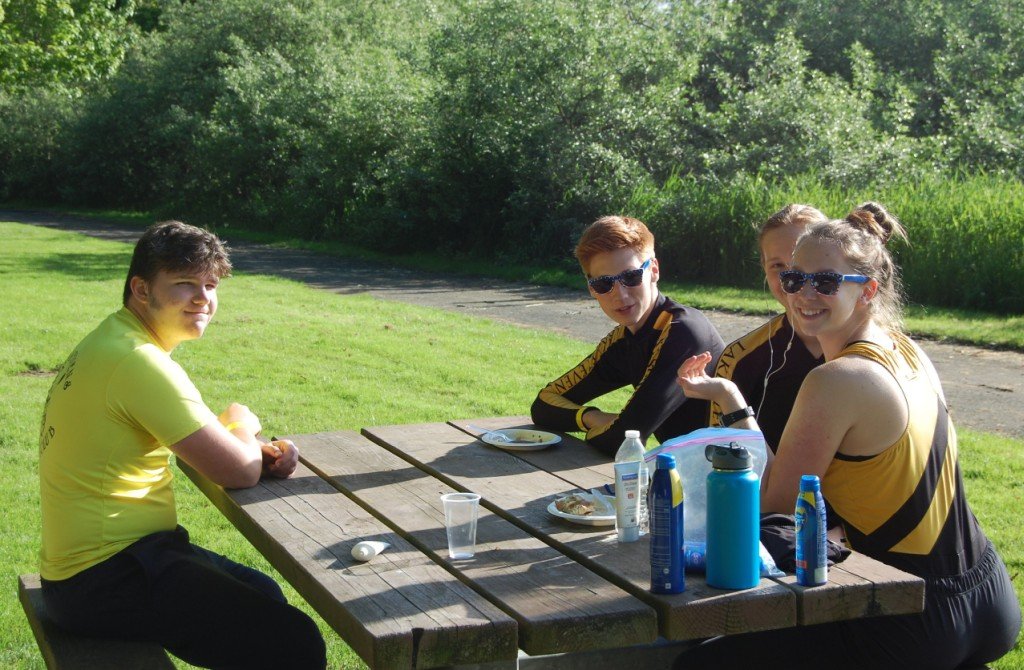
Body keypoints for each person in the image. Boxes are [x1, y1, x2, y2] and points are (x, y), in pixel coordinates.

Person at [674, 203, 1021, 669]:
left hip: (912, 613)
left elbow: (776, 504)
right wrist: (732, 393)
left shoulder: (835, 380)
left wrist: (734, 406)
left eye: (827, 281)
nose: (803, 294)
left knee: (698, 662)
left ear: (868, 290)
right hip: (987, 591)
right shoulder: (907, 349)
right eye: (794, 279)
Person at [38, 221, 327, 669]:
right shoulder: (138, 361)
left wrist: (239, 439)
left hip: (103, 564)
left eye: (210, 284)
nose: (203, 298)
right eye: (184, 284)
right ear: (141, 288)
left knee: (263, 594)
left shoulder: (115, 339)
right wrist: (244, 424)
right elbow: (238, 471)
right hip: (102, 577)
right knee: (296, 642)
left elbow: (205, 444)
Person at [531, 215, 725, 455]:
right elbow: (543, 405)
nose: (619, 296)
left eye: (630, 277)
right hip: (692, 476)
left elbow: (622, 438)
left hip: (739, 482)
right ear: (591, 288)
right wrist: (591, 417)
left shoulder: (684, 333)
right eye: (604, 284)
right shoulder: (624, 341)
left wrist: (612, 428)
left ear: (653, 270)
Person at [711, 204, 827, 451]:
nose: (792, 279)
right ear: (763, 270)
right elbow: (719, 455)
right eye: (778, 266)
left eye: (803, 262)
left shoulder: (874, 351)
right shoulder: (741, 359)